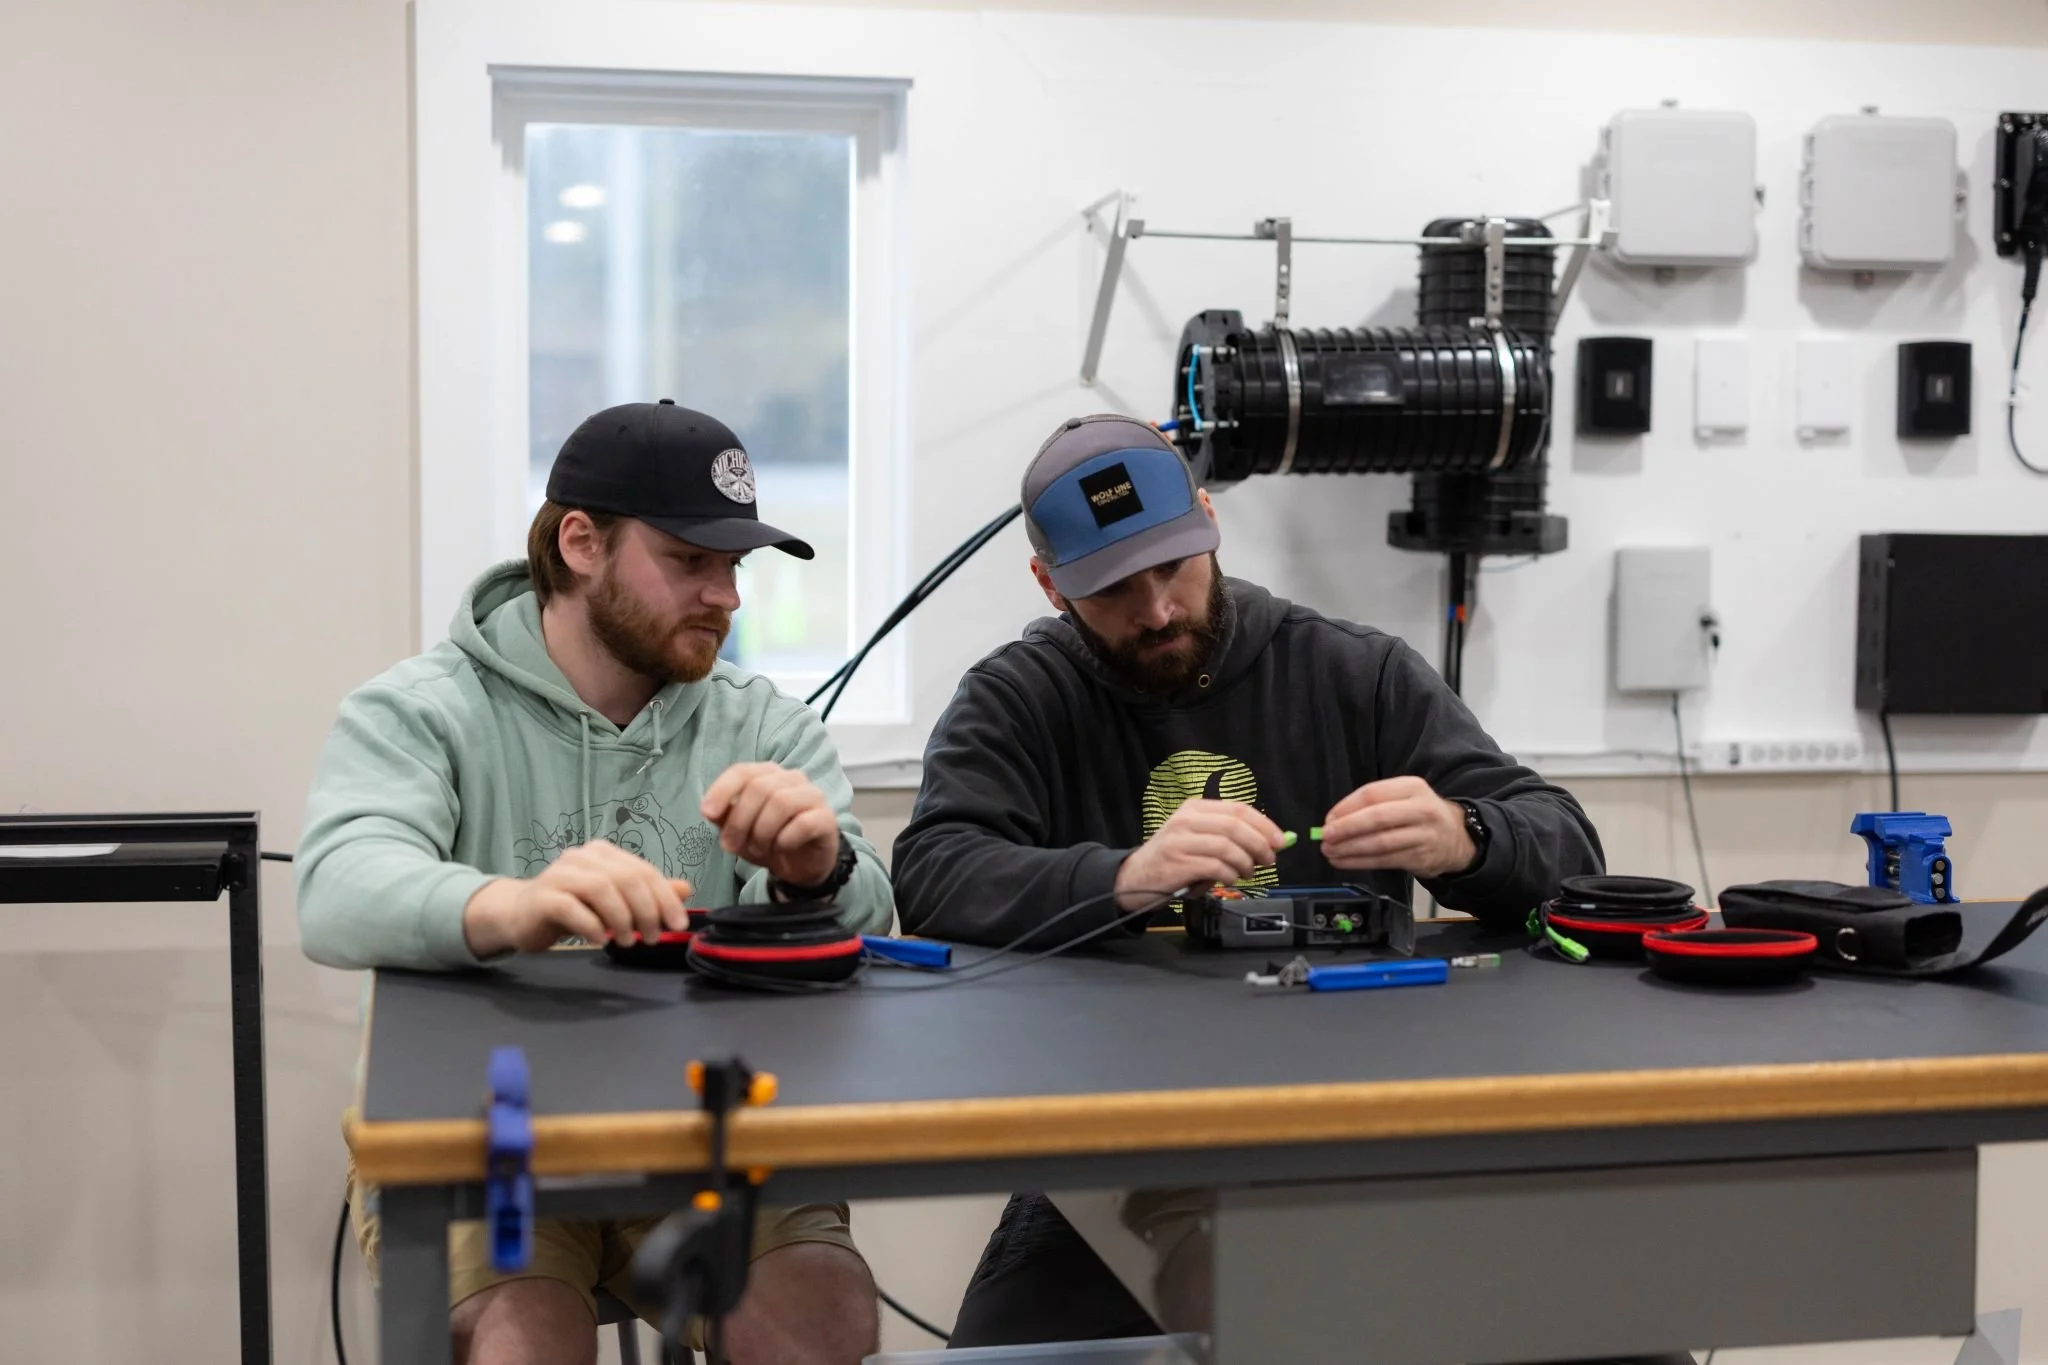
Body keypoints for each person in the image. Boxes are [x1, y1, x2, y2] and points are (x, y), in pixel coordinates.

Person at [892, 413, 1607, 1348]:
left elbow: (1571, 850)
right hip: (1113, 1134)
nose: (1155, 610)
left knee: (1607, 1321)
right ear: (1048, 584)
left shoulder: (1355, 672)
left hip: (1359, 1117)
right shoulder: (1018, 698)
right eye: (1113, 589)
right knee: (1011, 1344)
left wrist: (1466, 835)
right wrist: (1125, 877)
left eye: (1171, 567)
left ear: (1208, 519)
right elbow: (937, 869)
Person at [298, 400, 890, 1365]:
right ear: (581, 542)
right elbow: (334, 889)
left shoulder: (764, 725)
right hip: (489, 1150)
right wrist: (510, 905)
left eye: (734, 565)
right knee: (518, 1342)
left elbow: (871, 924)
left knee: (818, 1324)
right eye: (691, 561)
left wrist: (813, 874)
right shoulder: (419, 711)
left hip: (722, 1140)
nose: (727, 596)